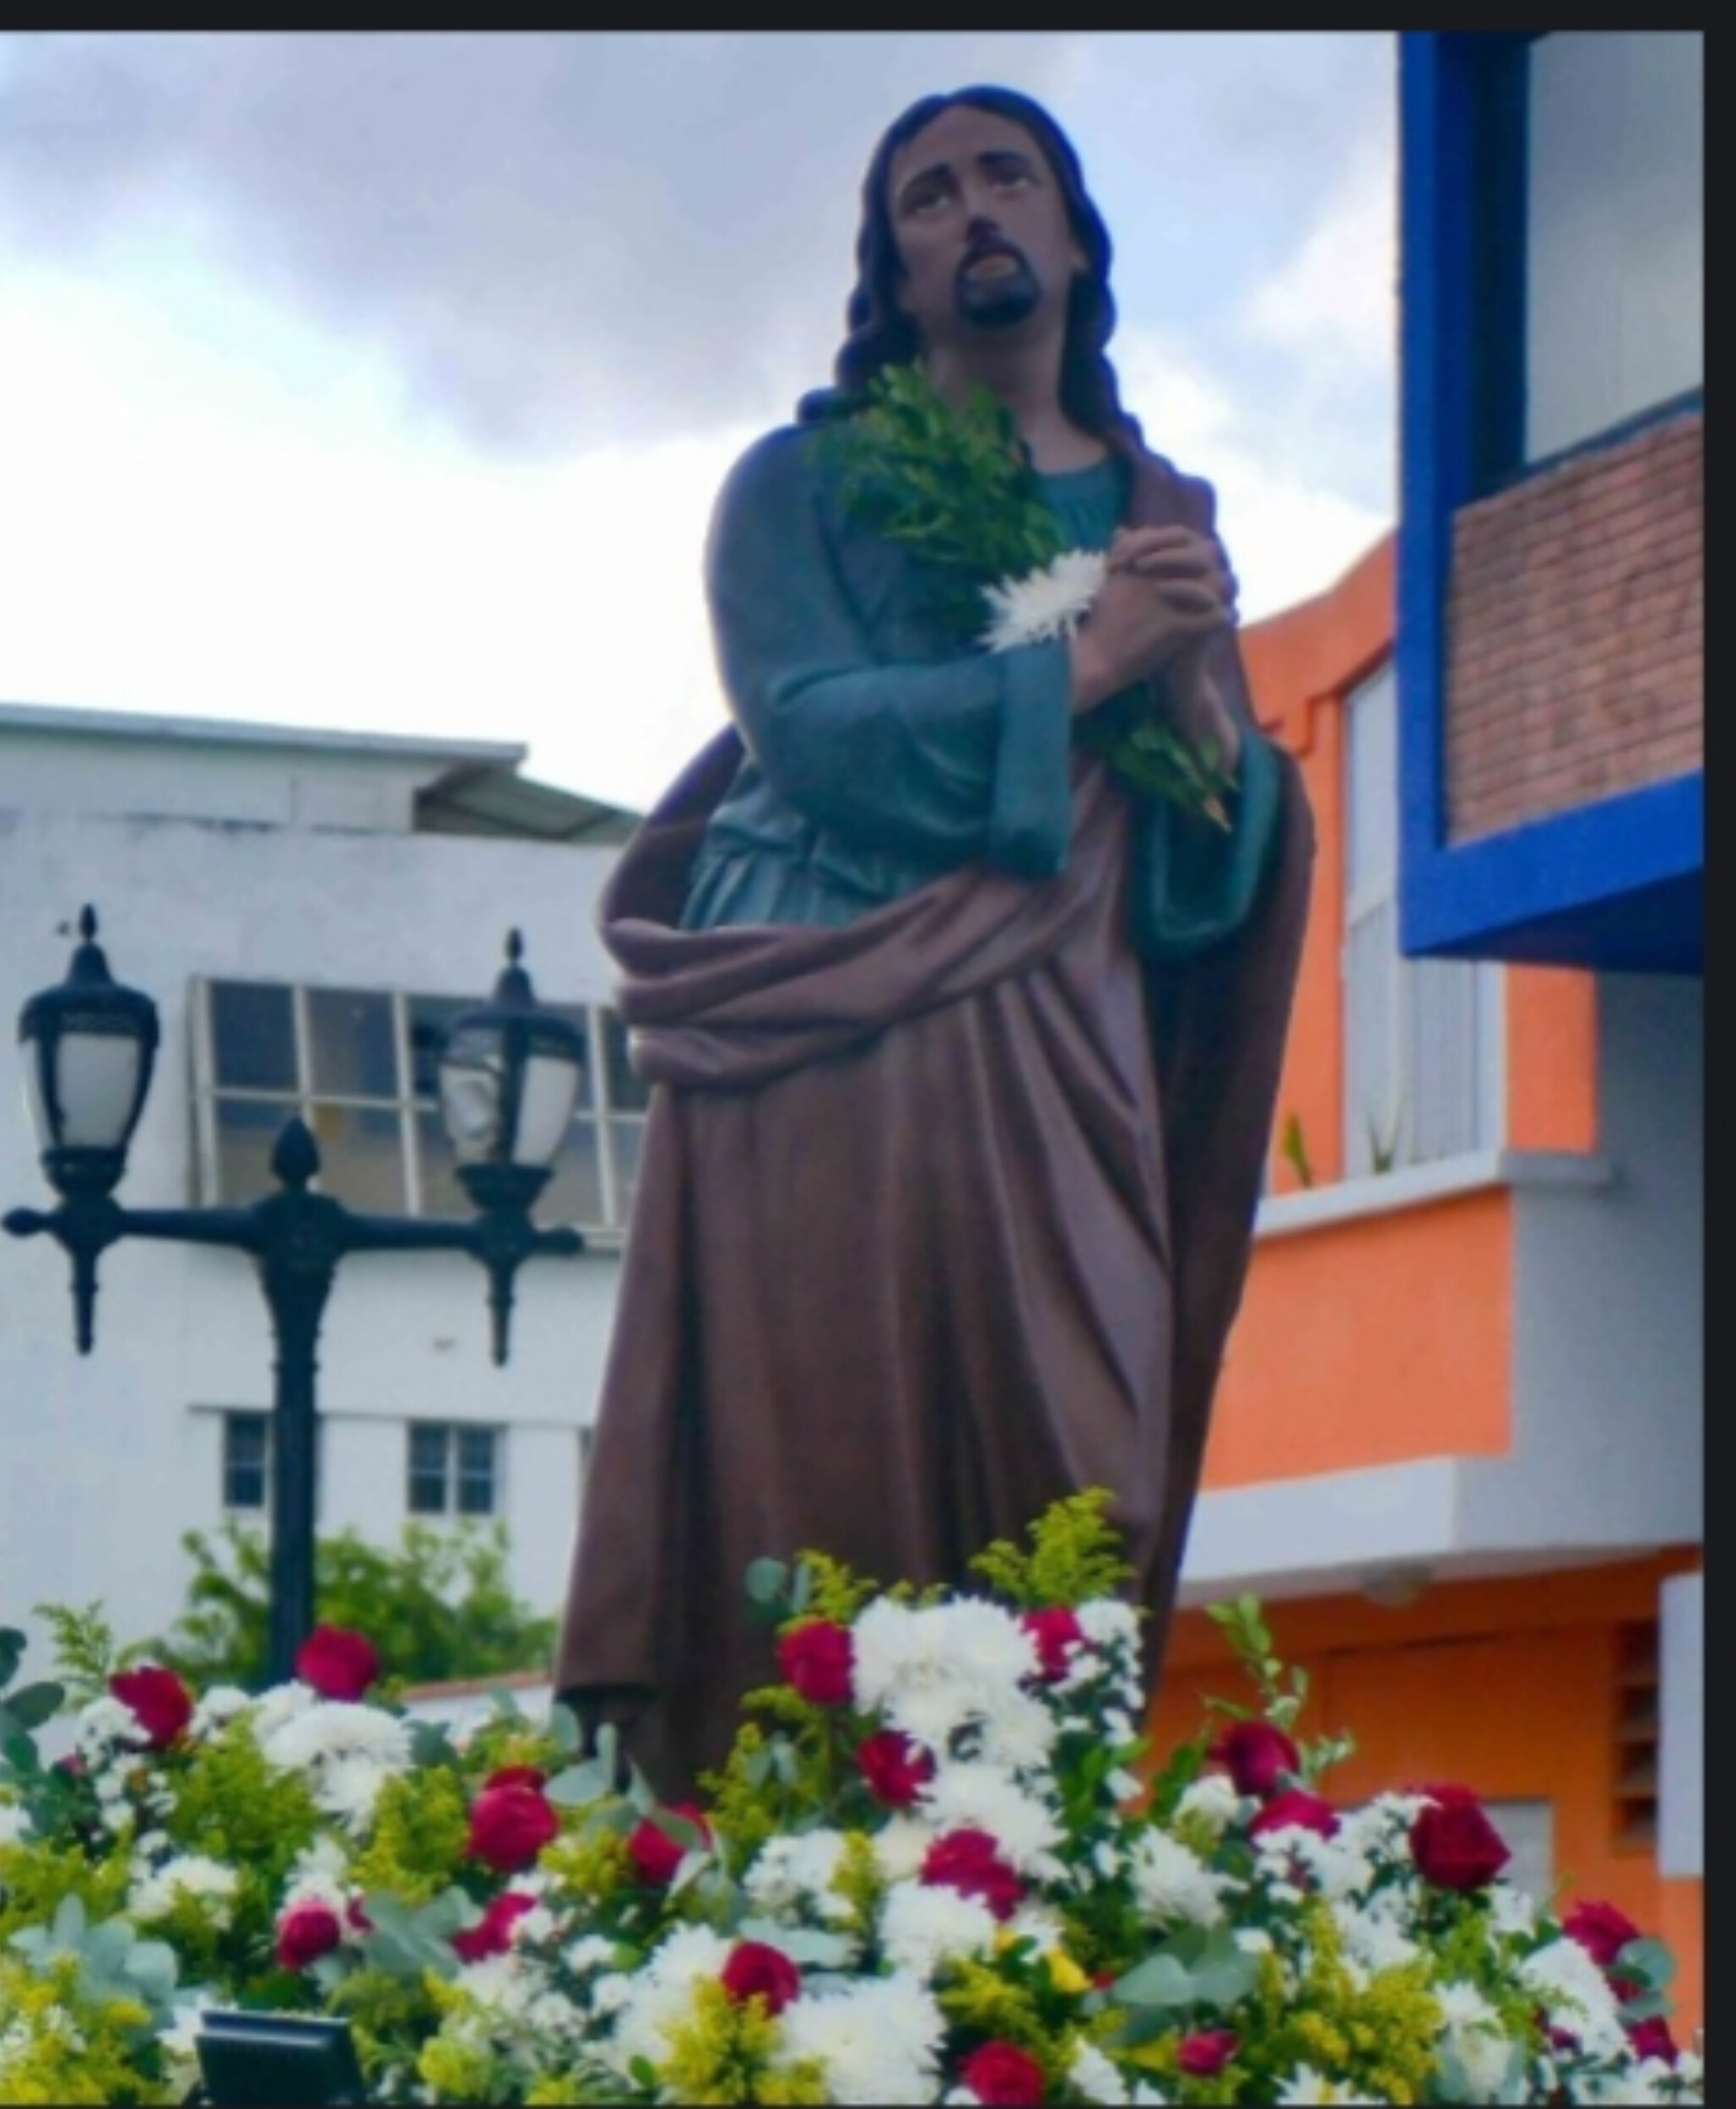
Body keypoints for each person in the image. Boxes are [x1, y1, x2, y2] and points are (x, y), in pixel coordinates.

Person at [554, 84, 1312, 1798]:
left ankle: (1022, 1863)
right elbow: (813, 732)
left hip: (1067, 1037)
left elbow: (1199, 881)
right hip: (834, 1028)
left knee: (1083, 1472)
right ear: (888, 270)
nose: (969, 209)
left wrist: (1204, 717)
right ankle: (792, 1877)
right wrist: (1096, 657)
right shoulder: (797, 486)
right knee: (818, 1485)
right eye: (924, 194)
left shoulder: (1152, 508)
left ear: (1067, 235)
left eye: (1004, 176)